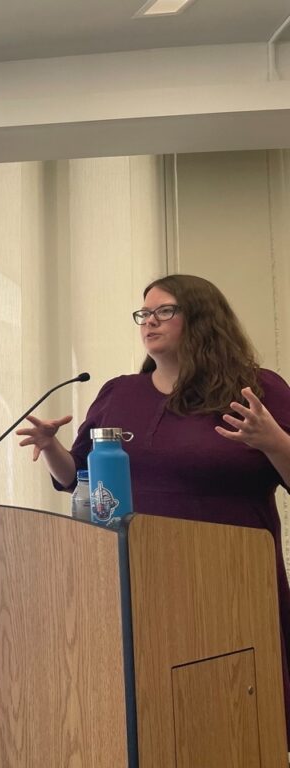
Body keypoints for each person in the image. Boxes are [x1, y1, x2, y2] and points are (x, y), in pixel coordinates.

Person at [17, 273, 290, 739]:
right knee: (149, 708)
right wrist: (53, 448)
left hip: (230, 577)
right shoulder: (120, 393)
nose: (149, 321)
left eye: (164, 311)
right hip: (138, 572)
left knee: (230, 710)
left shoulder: (257, 389)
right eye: (144, 313)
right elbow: (76, 478)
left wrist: (274, 441)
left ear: (202, 319)